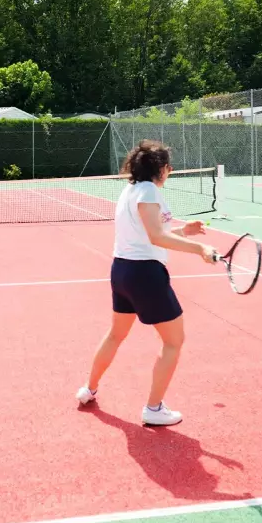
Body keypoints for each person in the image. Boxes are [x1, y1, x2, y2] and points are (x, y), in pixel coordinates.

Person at [76, 140, 217, 426]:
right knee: (174, 342)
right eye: (169, 168)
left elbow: (149, 233)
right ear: (162, 169)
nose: (169, 172)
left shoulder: (130, 190)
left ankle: (88, 389)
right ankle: (154, 409)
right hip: (145, 275)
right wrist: (200, 249)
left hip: (122, 271)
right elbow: (156, 237)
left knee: (116, 335)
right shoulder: (149, 191)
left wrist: (184, 231)